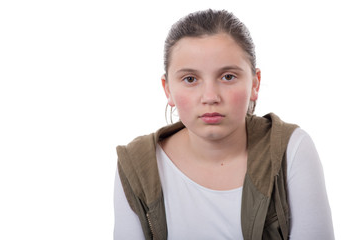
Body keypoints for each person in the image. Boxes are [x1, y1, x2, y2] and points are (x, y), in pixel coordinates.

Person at [114, 9, 334, 240]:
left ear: (255, 84)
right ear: (167, 88)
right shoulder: (135, 166)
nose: (210, 97)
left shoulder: (292, 149)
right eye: (190, 79)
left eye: (228, 76)